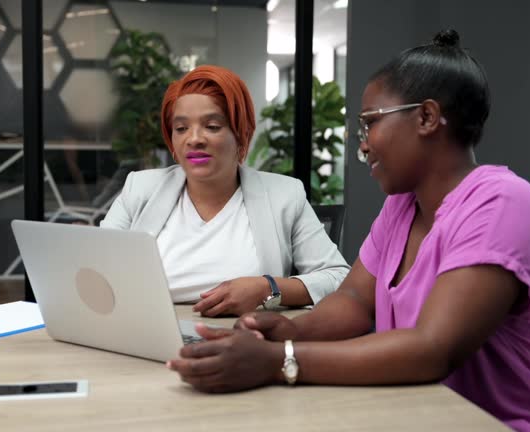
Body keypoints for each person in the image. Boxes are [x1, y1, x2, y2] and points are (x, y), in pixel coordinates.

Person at [167, 31, 530, 432]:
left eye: (371, 122)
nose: (364, 143)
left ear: (427, 117)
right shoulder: (402, 205)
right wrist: (291, 331)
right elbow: (356, 301)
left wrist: (278, 360)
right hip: (422, 415)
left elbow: (433, 349)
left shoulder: (502, 204)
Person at [100, 65, 349, 317]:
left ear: (240, 135)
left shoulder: (284, 195)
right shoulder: (140, 189)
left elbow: (338, 278)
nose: (194, 138)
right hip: (147, 330)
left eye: (212, 126)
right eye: (181, 128)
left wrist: (267, 288)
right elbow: (95, 269)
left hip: (245, 338)